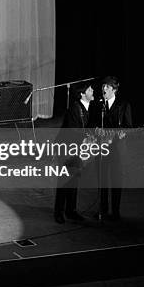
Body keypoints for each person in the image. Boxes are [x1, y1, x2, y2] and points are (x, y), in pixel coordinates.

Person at [54, 82, 95, 224]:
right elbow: (72, 130)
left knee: (74, 179)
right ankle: (59, 212)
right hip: (66, 148)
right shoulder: (74, 109)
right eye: (90, 90)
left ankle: (71, 210)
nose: (92, 91)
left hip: (77, 149)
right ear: (82, 94)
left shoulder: (88, 108)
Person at [98, 76, 132, 221]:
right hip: (103, 148)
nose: (103, 89)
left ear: (114, 89)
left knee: (116, 179)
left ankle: (115, 211)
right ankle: (103, 210)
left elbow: (128, 126)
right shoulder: (100, 105)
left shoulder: (124, 105)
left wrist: (123, 133)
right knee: (102, 179)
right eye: (103, 86)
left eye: (107, 87)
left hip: (117, 149)